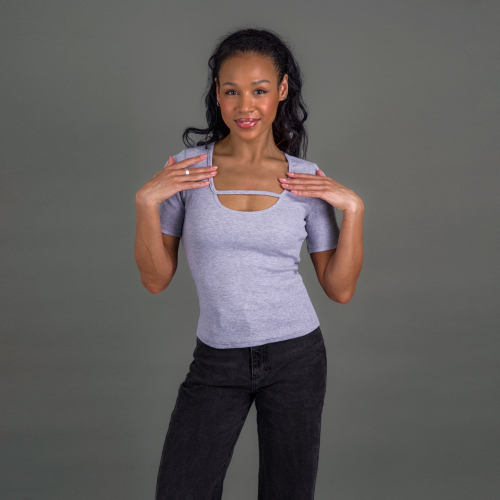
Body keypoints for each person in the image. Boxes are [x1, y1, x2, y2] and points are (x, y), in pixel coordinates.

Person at [134, 28, 364, 500]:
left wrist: (355, 211)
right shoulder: (187, 171)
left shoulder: (306, 181)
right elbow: (156, 279)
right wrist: (145, 203)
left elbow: (339, 289)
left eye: (259, 90)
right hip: (217, 359)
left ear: (282, 90)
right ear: (217, 95)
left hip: (297, 357)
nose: (245, 106)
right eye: (231, 91)